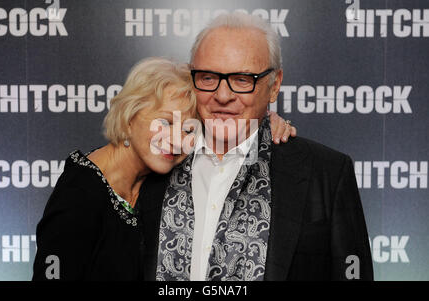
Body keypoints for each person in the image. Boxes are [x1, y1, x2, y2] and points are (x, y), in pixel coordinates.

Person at [139, 13, 374, 281]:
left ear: (274, 86)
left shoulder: (327, 173)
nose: (223, 96)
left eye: (242, 79)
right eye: (208, 77)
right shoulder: (153, 159)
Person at [32, 57, 296, 280]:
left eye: (188, 129)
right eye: (166, 122)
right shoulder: (80, 194)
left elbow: (230, 126)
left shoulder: (156, 177)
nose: (176, 140)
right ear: (130, 114)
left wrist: (267, 121)